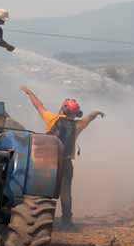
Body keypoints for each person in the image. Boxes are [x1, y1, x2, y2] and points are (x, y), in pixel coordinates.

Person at [20, 86, 104, 228]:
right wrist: (97, 112)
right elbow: (89, 118)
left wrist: (30, 93)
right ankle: (66, 220)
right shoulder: (78, 125)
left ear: (64, 109)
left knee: (39, 188)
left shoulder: (52, 119)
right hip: (65, 163)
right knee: (65, 192)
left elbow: (38, 105)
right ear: (76, 113)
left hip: (46, 161)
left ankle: (37, 218)